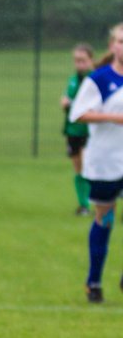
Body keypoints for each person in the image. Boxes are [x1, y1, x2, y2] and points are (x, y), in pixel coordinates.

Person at [70, 23, 123, 303]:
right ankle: (94, 281)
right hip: (105, 161)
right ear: (113, 46)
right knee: (106, 217)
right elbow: (77, 114)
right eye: (121, 42)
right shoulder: (100, 80)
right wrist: (114, 118)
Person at [61, 44, 95, 216]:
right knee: (78, 167)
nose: (79, 64)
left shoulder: (95, 80)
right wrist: (65, 103)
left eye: (82, 60)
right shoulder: (73, 80)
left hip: (90, 131)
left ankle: (94, 203)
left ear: (91, 61)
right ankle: (83, 205)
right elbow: (68, 99)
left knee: (89, 167)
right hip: (73, 130)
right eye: (76, 61)